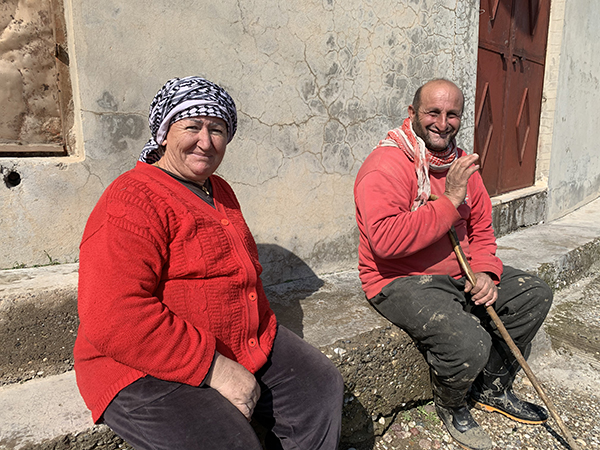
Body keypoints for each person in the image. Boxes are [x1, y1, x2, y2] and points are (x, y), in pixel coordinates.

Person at [74, 76, 344, 450]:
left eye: (217, 129)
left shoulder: (220, 190)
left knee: (318, 387)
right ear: (165, 132)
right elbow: (112, 314)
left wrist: (254, 341)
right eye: (192, 126)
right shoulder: (132, 198)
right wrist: (215, 368)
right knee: (230, 443)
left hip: (237, 340)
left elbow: (242, 276)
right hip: (141, 365)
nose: (205, 141)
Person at [353, 79, 553, 450]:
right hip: (400, 278)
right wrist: (451, 199)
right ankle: (452, 405)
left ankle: (493, 386)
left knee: (533, 295)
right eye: (433, 112)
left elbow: (482, 231)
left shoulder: (461, 167)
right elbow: (386, 242)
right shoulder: (386, 166)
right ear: (412, 114)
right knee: (468, 342)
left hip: (459, 272)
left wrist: (486, 272)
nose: (442, 123)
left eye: (452, 114)